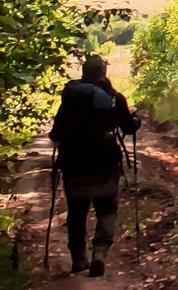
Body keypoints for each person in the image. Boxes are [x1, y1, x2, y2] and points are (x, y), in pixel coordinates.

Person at [49, 54, 140, 277]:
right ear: (103, 72)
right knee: (107, 210)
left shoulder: (70, 99)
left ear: (83, 72)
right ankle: (99, 251)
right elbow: (128, 128)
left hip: (73, 164)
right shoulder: (113, 98)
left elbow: (55, 134)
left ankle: (79, 258)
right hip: (105, 165)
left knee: (77, 211)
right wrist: (136, 120)